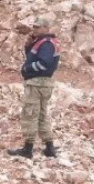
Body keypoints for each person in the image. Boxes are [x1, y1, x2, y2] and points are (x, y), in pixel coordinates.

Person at [7, 17, 61, 158]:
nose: (34, 29)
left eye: (37, 27)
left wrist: (27, 69)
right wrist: (28, 46)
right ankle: (49, 147)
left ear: (45, 28)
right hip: (43, 83)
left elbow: (43, 63)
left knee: (30, 113)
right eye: (34, 27)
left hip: (37, 83)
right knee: (42, 114)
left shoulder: (47, 44)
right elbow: (34, 57)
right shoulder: (42, 42)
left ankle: (28, 148)